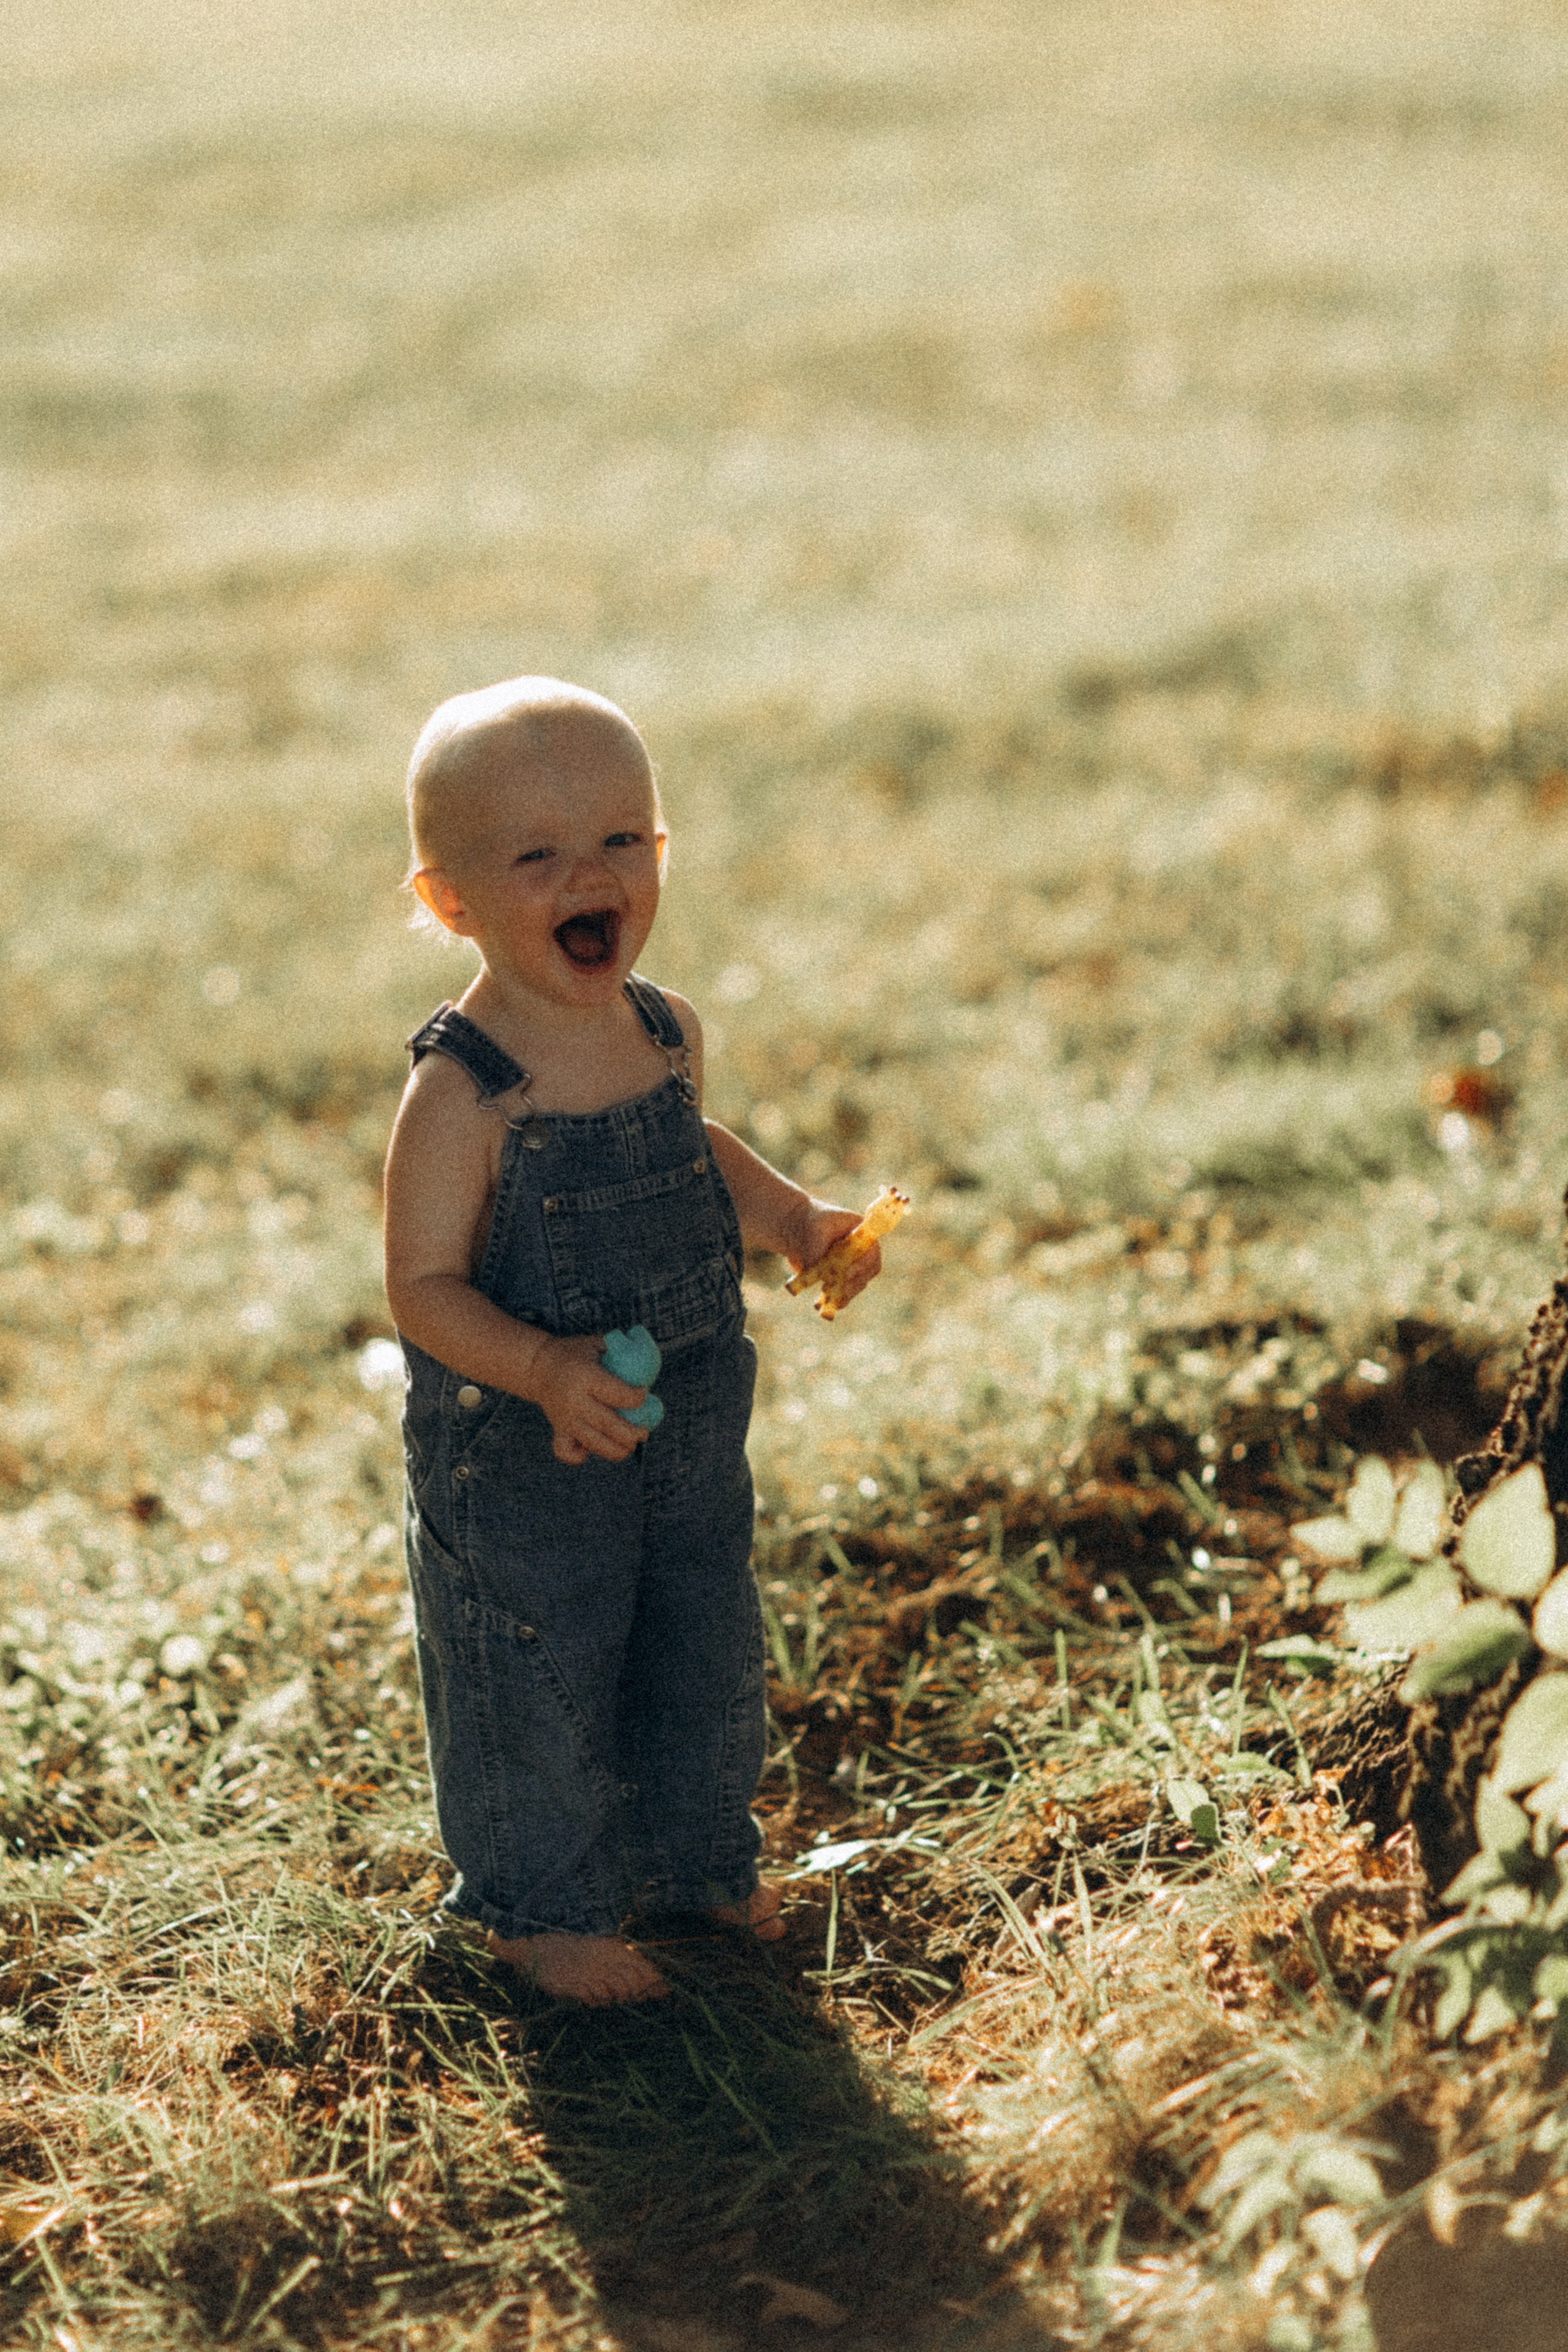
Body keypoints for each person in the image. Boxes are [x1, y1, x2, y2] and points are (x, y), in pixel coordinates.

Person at [383, 676, 883, 2004]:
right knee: (534, 1664)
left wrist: (787, 1216)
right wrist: (544, 1368)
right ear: (451, 902)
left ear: (656, 855)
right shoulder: (459, 1089)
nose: (586, 877)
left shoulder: (662, 1032)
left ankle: (692, 1864)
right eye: (534, 856)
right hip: (528, 1458)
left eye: (618, 841)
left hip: (688, 1428)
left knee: (699, 1642)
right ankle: (537, 1911)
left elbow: (692, 1153)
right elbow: (423, 1290)